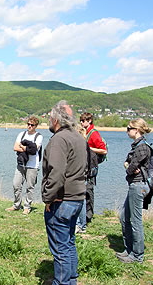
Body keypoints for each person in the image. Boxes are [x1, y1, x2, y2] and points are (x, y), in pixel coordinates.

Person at [42, 101, 87, 285]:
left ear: (56, 120)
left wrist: (47, 198)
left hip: (62, 201)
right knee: (68, 244)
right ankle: (72, 280)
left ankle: (62, 282)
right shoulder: (78, 137)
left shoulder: (59, 139)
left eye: (50, 118)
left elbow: (56, 173)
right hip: (77, 199)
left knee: (60, 250)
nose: (49, 121)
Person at [116, 118, 151, 264]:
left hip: (138, 186)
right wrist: (129, 166)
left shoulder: (142, 147)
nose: (127, 130)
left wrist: (128, 167)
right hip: (134, 185)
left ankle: (137, 255)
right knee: (124, 217)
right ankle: (129, 249)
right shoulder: (137, 146)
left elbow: (130, 167)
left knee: (135, 221)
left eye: (129, 128)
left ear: (136, 130)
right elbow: (129, 165)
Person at [6, 116, 43, 215]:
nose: (29, 126)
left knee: (30, 187)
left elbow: (34, 150)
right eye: (28, 124)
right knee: (16, 184)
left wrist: (23, 147)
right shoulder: (21, 134)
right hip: (21, 163)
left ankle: (27, 206)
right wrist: (27, 148)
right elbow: (15, 147)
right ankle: (16, 205)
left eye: (32, 125)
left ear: (36, 126)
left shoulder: (39, 137)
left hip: (32, 165)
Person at [80, 113, 107, 223]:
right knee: (84, 190)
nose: (81, 123)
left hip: (92, 166)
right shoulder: (85, 132)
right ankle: (84, 214)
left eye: (83, 120)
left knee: (89, 191)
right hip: (86, 165)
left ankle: (88, 216)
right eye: (81, 120)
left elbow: (104, 150)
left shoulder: (94, 133)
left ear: (90, 120)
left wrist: (89, 148)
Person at [75, 125, 99, 234]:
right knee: (81, 200)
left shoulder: (81, 147)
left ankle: (80, 225)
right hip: (84, 176)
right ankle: (81, 224)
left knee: (79, 200)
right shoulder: (86, 146)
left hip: (80, 177)